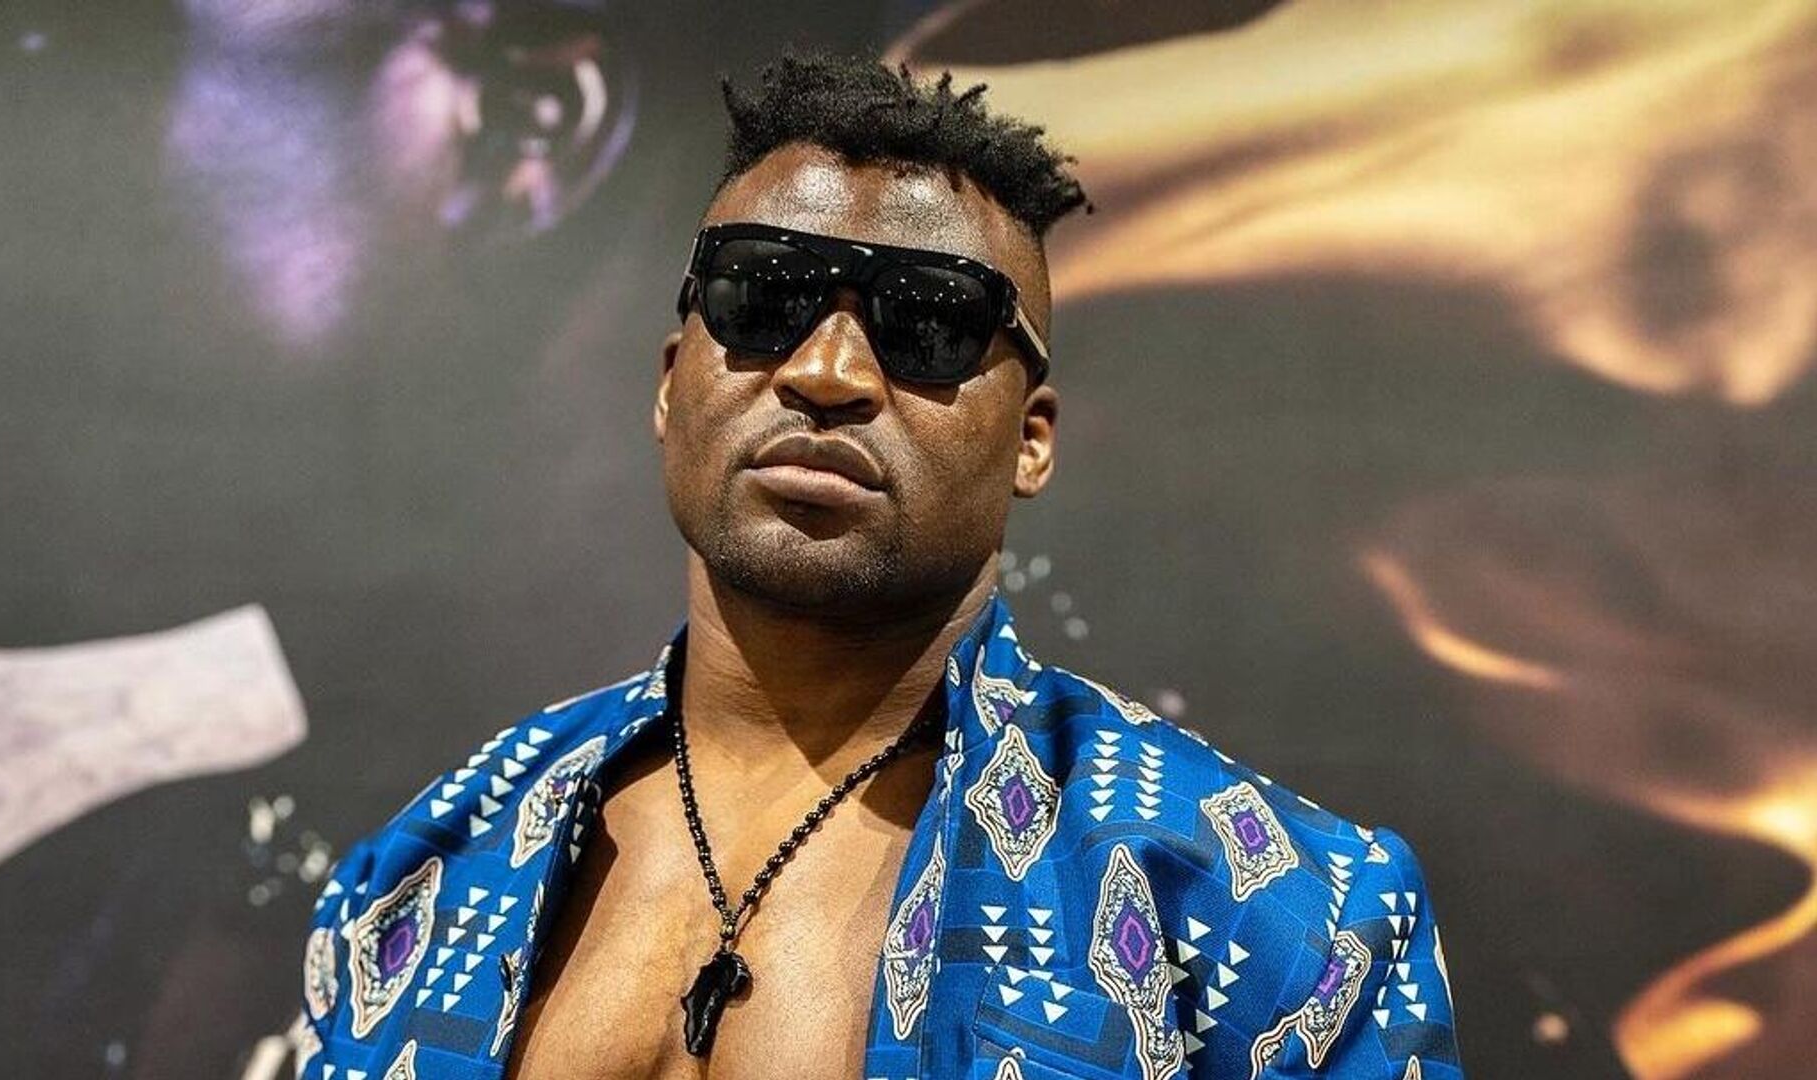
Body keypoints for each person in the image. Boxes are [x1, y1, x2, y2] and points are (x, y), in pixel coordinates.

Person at [293, 50, 1462, 1080]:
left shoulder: (1283, 915)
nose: (828, 373)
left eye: (930, 324)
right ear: (669, 381)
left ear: (1032, 440)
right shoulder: (426, 872)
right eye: (763, 295)